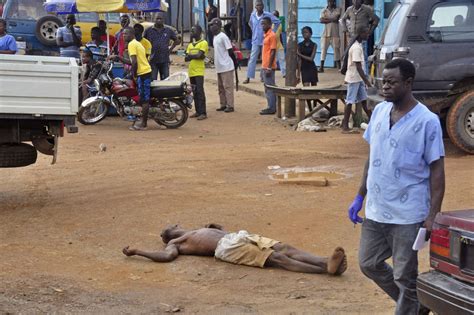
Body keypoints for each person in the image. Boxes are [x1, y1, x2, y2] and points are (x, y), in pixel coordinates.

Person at [348, 58, 445, 314]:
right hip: (377, 209)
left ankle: (408, 306)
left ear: (408, 83)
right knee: (368, 263)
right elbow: (373, 156)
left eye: (392, 82)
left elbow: (437, 170)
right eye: (383, 81)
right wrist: (359, 197)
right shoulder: (380, 111)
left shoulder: (427, 121)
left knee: (405, 276)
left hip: (408, 214)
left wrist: (432, 215)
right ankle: (416, 305)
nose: (385, 87)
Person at [123, 223, 348, 275]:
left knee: (282, 247)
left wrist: (215, 226)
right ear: (168, 235)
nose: (174, 227)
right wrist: (138, 251)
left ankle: (324, 261)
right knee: (276, 258)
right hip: (226, 249)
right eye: (170, 229)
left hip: (236, 237)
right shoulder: (176, 243)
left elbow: (217, 229)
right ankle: (323, 271)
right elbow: (165, 257)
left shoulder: (197, 228)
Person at [341, 26, 372, 133]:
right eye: (367, 33)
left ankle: (373, 122)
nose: (368, 35)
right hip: (354, 78)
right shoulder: (356, 48)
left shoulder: (358, 46)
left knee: (364, 100)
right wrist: (367, 81)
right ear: (361, 34)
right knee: (349, 102)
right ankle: (345, 126)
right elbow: (358, 67)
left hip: (358, 79)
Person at [122, 27, 152, 131]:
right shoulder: (137, 43)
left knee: (144, 100)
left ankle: (144, 124)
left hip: (143, 73)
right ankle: (141, 120)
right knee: (142, 98)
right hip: (144, 72)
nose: (123, 36)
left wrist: (134, 74)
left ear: (132, 34)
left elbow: (134, 62)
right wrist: (119, 58)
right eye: (123, 34)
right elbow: (133, 61)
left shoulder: (132, 44)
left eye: (126, 34)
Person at [243, 0, 280, 84]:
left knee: (265, 58)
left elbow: (277, 22)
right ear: (255, 7)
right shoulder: (252, 15)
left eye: (261, 5)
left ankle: (263, 76)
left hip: (265, 40)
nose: (259, 7)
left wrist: (272, 31)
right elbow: (250, 24)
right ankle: (248, 77)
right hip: (255, 40)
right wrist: (254, 32)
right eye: (257, 5)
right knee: (252, 59)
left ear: (263, 6)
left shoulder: (268, 15)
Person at [340, 0, 379, 73]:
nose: (355, 1)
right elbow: (343, 20)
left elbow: (376, 19)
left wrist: (370, 31)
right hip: (352, 37)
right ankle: (349, 72)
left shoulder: (366, 9)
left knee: (363, 57)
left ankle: (365, 76)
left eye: (357, 0)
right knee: (351, 55)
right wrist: (346, 31)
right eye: (354, 0)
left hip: (362, 37)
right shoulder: (349, 9)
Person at [209, 18, 237, 113]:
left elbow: (230, 51)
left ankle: (230, 105)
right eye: (211, 25)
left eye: (213, 25)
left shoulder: (223, 36)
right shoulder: (215, 37)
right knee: (221, 88)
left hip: (226, 66)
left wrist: (235, 63)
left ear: (218, 25)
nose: (211, 27)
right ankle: (223, 104)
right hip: (219, 66)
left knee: (228, 87)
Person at [144, 13, 178, 81]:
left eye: (160, 19)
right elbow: (143, 42)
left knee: (165, 81)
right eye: (157, 18)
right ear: (154, 19)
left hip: (164, 60)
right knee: (153, 80)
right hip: (153, 60)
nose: (159, 20)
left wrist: (170, 49)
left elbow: (176, 40)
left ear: (163, 20)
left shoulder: (168, 30)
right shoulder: (148, 30)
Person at [185, 24, 208, 120]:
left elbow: (200, 56)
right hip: (191, 71)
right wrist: (195, 55)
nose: (191, 33)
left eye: (193, 31)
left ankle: (203, 112)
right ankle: (198, 111)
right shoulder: (190, 45)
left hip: (199, 71)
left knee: (200, 91)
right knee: (194, 92)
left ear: (199, 32)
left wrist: (191, 55)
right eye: (191, 31)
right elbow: (186, 58)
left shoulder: (203, 43)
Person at [296, 26, 318, 110]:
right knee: (306, 90)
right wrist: (298, 74)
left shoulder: (314, 45)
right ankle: (310, 109)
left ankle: (315, 107)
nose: (305, 34)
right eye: (303, 33)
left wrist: (299, 54)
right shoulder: (300, 45)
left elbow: (311, 58)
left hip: (312, 68)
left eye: (306, 32)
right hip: (304, 69)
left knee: (314, 90)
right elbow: (299, 61)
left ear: (311, 34)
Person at [259, 17, 277, 116]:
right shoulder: (266, 35)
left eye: (265, 24)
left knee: (270, 87)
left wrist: (269, 67)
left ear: (270, 25)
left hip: (269, 66)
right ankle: (271, 106)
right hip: (264, 65)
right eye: (262, 24)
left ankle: (272, 108)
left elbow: (273, 51)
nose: (263, 26)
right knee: (267, 87)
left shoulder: (272, 35)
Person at [319, 0, 342, 72]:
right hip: (325, 34)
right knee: (323, 50)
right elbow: (321, 20)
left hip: (335, 34)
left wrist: (327, 19)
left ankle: (339, 67)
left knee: (336, 49)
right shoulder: (324, 10)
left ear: (334, 2)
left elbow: (337, 19)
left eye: (332, 1)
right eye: (329, 1)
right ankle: (321, 67)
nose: (330, 3)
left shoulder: (338, 9)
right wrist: (332, 19)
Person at [273, 10, 286, 78]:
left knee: (282, 59)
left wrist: (282, 43)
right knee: (272, 60)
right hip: (272, 46)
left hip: (278, 45)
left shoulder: (280, 25)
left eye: (276, 16)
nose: (274, 17)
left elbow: (278, 34)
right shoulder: (269, 24)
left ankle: (284, 73)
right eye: (273, 16)